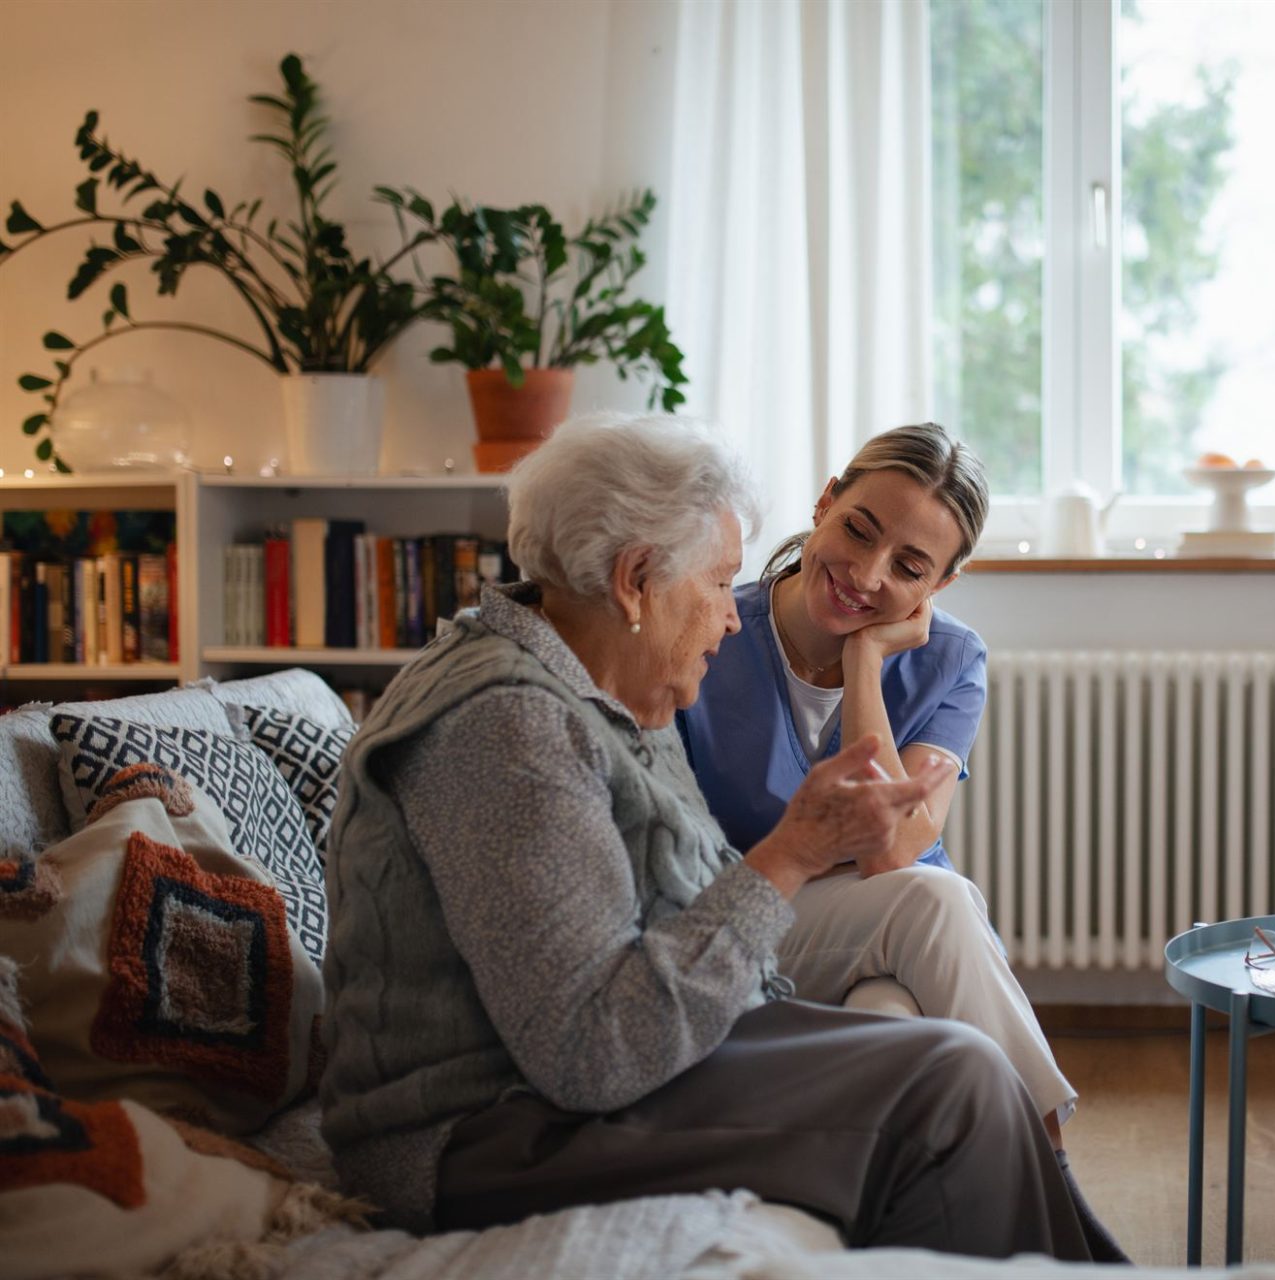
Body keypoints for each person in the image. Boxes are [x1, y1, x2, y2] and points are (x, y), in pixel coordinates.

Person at [319, 412, 1091, 1261]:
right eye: (722, 583)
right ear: (636, 580)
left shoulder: (608, 682)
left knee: (942, 1057)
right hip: (484, 1128)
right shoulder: (508, 728)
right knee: (952, 1080)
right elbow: (592, 1055)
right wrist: (793, 852)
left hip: (584, 1074)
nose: (733, 619)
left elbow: (679, 905)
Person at [677, 422, 1125, 1261]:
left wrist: (864, 659)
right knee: (932, 897)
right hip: (747, 918)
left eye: (910, 569)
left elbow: (892, 848)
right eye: (856, 530)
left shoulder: (953, 658)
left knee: (900, 1013)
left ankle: (955, 1241)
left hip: (888, 935)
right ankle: (1061, 1193)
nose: (867, 575)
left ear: (944, 582)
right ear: (825, 503)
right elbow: (896, 862)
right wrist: (867, 643)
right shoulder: (714, 628)